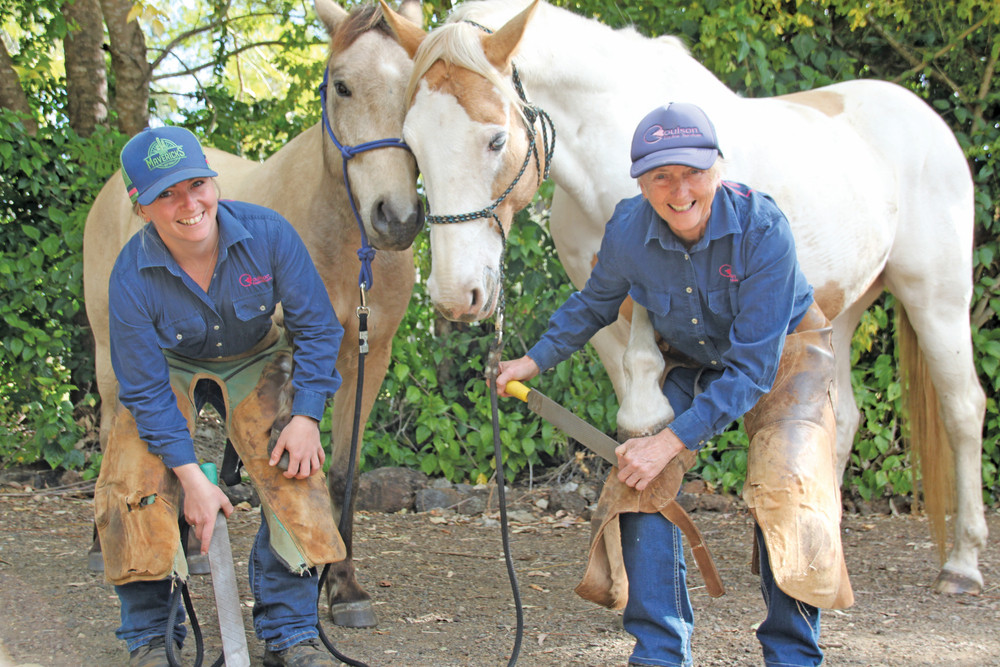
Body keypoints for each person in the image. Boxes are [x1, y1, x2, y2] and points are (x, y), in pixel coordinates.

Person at [496, 102, 853, 667]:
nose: (679, 190)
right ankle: (660, 652)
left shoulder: (763, 230)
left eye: (692, 172)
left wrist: (671, 442)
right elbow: (594, 303)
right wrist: (533, 362)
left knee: (791, 483)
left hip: (782, 357)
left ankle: (793, 655)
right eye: (661, 175)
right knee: (638, 473)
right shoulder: (628, 228)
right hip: (688, 358)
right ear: (640, 181)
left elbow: (752, 371)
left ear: (718, 168)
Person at [93, 126, 347, 667]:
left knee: (295, 469)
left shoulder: (268, 234)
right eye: (167, 194)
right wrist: (191, 480)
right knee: (133, 473)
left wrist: (305, 415)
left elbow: (319, 330)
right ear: (142, 207)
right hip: (169, 369)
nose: (188, 204)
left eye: (195, 184)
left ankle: (291, 633)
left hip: (257, 357)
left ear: (213, 182)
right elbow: (141, 387)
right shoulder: (130, 275)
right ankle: (150, 639)